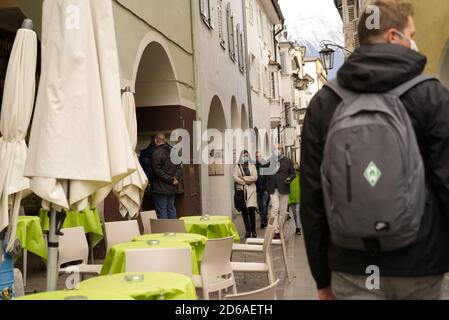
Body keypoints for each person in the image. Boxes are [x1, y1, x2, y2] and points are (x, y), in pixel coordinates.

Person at [301, 0, 449, 300]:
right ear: (395, 37)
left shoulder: (324, 103)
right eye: (412, 33)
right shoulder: (431, 95)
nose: (414, 41)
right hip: (421, 264)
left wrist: (321, 277)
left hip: (353, 267)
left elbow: (313, 198)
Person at [266, 144, 296, 239]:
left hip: (284, 187)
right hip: (273, 188)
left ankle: (280, 230)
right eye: (275, 149)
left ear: (282, 150)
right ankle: (274, 230)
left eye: (278, 149)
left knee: (283, 211)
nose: (277, 150)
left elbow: (293, 173)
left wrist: (289, 178)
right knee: (275, 208)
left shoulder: (288, 161)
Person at [151, 133, 182, 219]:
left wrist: (171, 179)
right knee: (171, 208)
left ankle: (165, 231)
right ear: (165, 140)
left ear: (155, 141)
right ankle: (174, 230)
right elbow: (179, 167)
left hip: (160, 188)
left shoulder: (156, 153)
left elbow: (157, 171)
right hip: (172, 188)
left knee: (162, 210)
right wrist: (175, 178)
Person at [233, 150, 258, 238]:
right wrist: (244, 182)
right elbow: (235, 177)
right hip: (242, 191)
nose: (245, 157)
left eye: (247, 155)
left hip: (251, 191)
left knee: (251, 210)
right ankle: (247, 231)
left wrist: (243, 178)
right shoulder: (237, 166)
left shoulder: (252, 166)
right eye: (244, 155)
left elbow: (255, 177)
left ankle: (254, 231)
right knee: (244, 212)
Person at [255, 151, 269, 229]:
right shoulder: (254, 166)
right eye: (256, 156)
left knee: (264, 204)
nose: (258, 158)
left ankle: (263, 221)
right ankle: (264, 217)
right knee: (260, 206)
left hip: (265, 189)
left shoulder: (266, 165)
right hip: (257, 189)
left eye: (259, 156)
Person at [289, 163, 301, 236]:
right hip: (292, 199)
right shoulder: (290, 177)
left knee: (297, 212)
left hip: (299, 199)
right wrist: (288, 200)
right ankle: (297, 225)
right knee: (294, 214)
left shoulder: (301, 176)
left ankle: (298, 228)